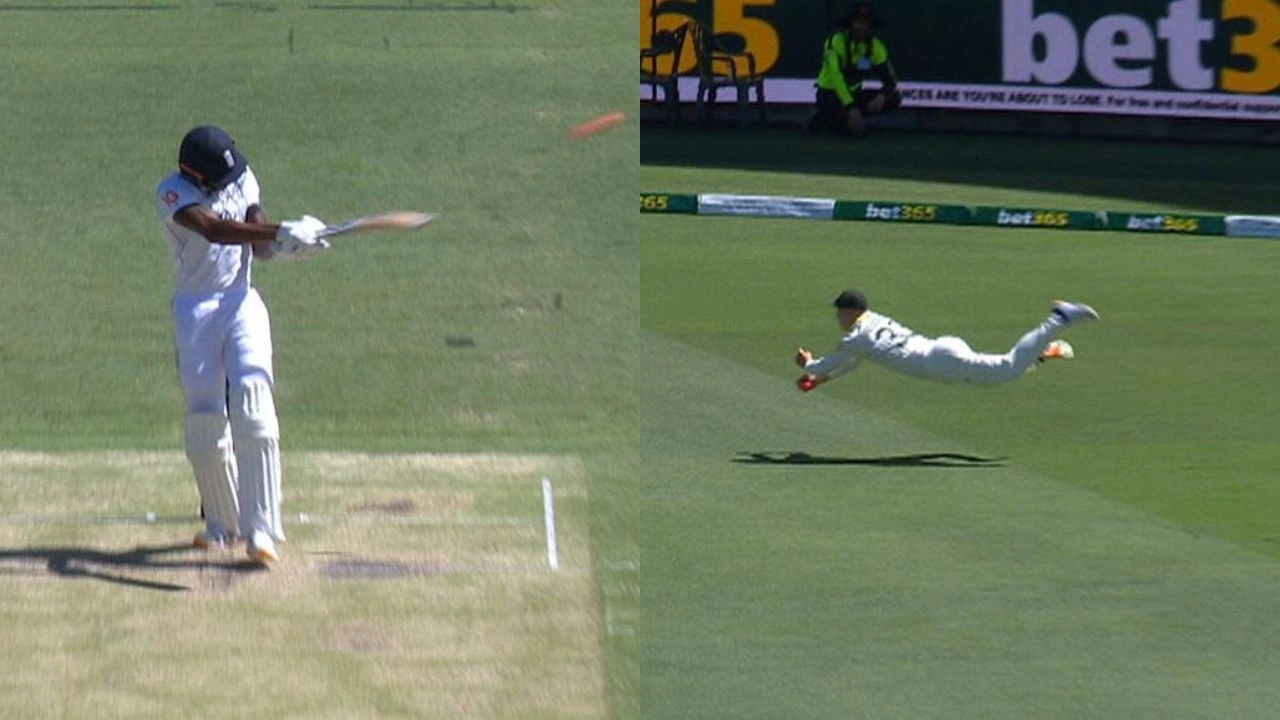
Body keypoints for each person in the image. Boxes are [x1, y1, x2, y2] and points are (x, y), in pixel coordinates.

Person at [155, 125, 329, 565]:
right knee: (205, 422)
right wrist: (279, 229)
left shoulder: (243, 178)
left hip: (239, 301)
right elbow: (214, 230)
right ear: (195, 175)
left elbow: (259, 248)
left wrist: (289, 245)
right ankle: (222, 524)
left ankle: (262, 530)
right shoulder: (172, 194)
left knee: (253, 401)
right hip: (196, 312)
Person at [795, 289, 1097, 391]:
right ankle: (1041, 354)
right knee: (993, 380)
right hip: (941, 353)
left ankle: (1060, 318)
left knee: (1007, 368)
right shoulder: (872, 323)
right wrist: (821, 380)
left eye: (840, 313)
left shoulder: (856, 337)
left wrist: (809, 364)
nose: (838, 319)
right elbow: (854, 361)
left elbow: (831, 362)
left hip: (940, 361)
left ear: (852, 311)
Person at [805, 3, 902, 138]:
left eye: (865, 23)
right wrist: (851, 107)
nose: (861, 27)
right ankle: (827, 118)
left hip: (854, 92)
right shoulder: (835, 41)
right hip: (830, 93)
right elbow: (836, 78)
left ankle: (848, 120)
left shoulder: (875, 46)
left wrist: (883, 95)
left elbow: (890, 79)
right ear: (850, 24)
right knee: (845, 128)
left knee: (894, 98)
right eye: (858, 22)